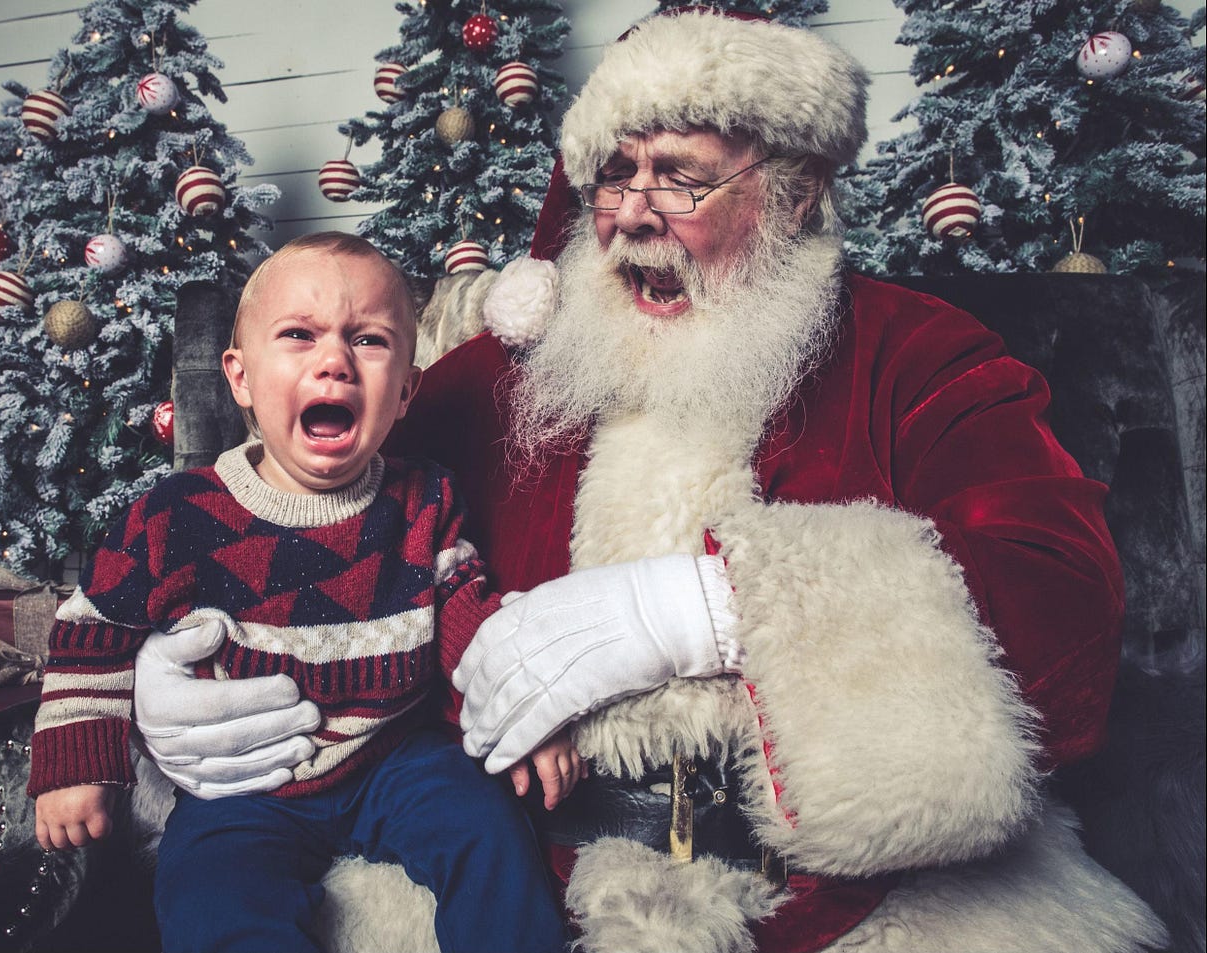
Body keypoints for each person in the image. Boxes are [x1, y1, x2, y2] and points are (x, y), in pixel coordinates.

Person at [130, 12, 1170, 953]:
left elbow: (1060, 602)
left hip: (850, 899)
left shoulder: (916, 352)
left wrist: (711, 608)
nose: (632, 213)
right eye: (614, 175)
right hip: (542, 879)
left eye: (680, 175)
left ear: (794, 190)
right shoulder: (507, 372)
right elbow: (319, 509)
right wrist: (164, 679)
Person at [27, 231, 574, 953]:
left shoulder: (423, 498)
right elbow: (94, 632)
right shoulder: (178, 513)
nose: (334, 361)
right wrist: (75, 764)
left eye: (370, 340)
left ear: (407, 387)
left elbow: (464, 612)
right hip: (248, 787)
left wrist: (527, 706)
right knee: (208, 891)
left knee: (488, 829)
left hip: (392, 756)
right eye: (299, 335)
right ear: (242, 376)